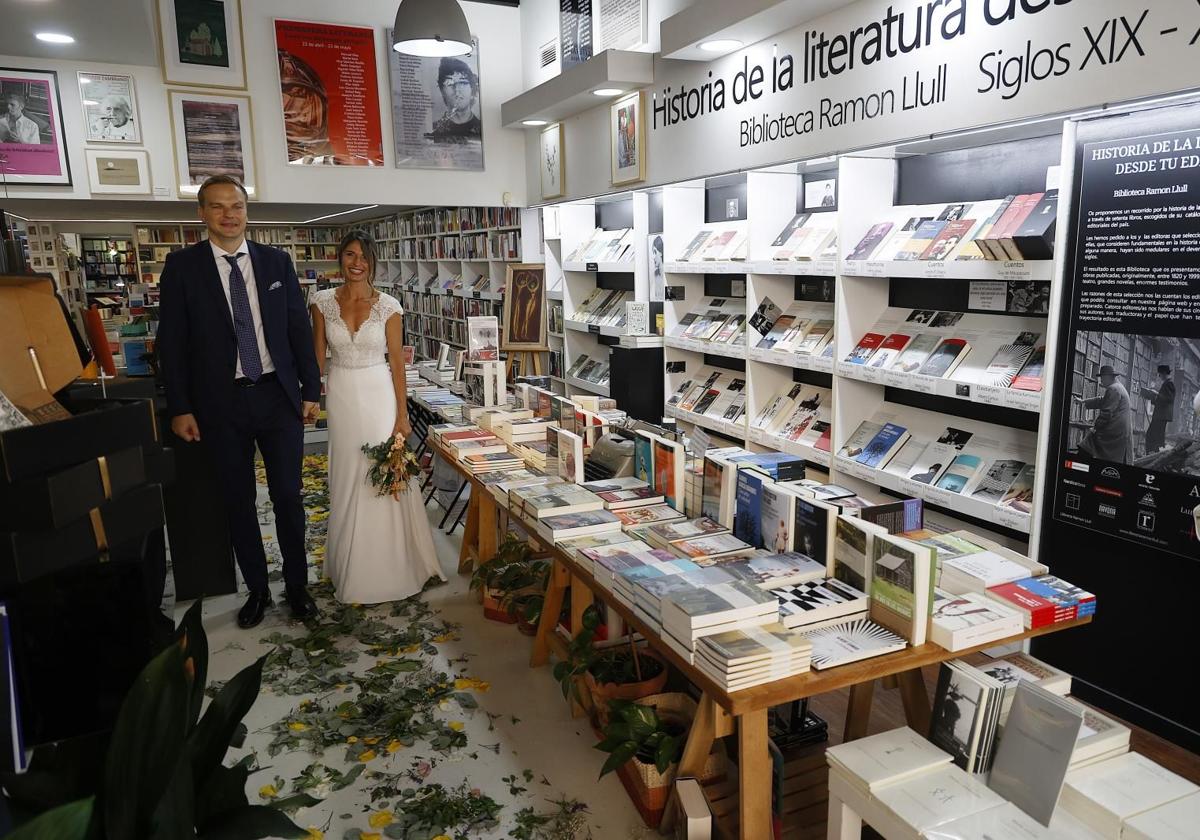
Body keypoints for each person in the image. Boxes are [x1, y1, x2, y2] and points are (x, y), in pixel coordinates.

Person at [157, 175, 322, 628]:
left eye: (237, 206)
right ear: (202, 214)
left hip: (276, 396)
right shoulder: (182, 268)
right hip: (220, 404)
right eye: (217, 207)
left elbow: (297, 330)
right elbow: (170, 344)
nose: (229, 214)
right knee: (238, 500)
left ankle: (296, 585)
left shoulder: (276, 263)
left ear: (247, 211)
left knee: (289, 495)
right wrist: (180, 407)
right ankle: (256, 590)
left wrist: (312, 390)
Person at [309, 231, 445, 604]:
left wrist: (402, 415)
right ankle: (349, 564)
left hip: (378, 394)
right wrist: (309, 399)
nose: (356, 263)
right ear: (340, 259)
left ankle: (390, 567)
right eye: (350, 255)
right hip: (341, 396)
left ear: (372, 262)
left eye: (364, 257)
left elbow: (397, 364)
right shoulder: (321, 302)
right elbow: (317, 356)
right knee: (348, 474)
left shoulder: (389, 305)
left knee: (383, 473)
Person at [1076, 364, 1132, 463]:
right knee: (1090, 446)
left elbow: (1107, 413)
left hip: (1114, 431)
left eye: (1102, 378)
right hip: (1120, 431)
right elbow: (1103, 400)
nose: (1101, 381)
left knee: (1087, 444)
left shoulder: (1113, 389)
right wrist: (1084, 401)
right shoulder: (1118, 387)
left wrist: (1096, 428)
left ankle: (1079, 466)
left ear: (1107, 377)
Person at [430, 58, 481, 140]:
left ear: (472, 89)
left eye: (463, 82)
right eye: (449, 83)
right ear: (442, 90)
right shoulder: (432, 131)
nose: (457, 90)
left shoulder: (483, 131)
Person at [1143, 364, 1176, 453]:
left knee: (1151, 436)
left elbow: (1169, 399)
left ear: (1164, 373)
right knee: (1156, 437)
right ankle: (1154, 454)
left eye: (1160, 374)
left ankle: (1152, 454)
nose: (1159, 376)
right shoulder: (1167, 383)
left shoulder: (1169, 384)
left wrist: (1156, 394)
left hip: (1161, 416)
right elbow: (1162, 400)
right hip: (1160, 415)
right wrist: (1151, 396)